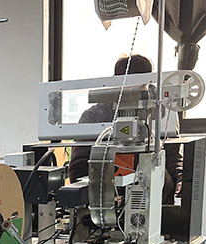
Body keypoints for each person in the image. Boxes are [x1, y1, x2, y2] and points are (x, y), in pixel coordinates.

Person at [68, 54, 182, 204]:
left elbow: (172, 157)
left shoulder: (162, 114)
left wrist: (180, 179)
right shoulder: (94, 116)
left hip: (154, 192)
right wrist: (87, 197)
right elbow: (79, 164)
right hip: (106, 195)